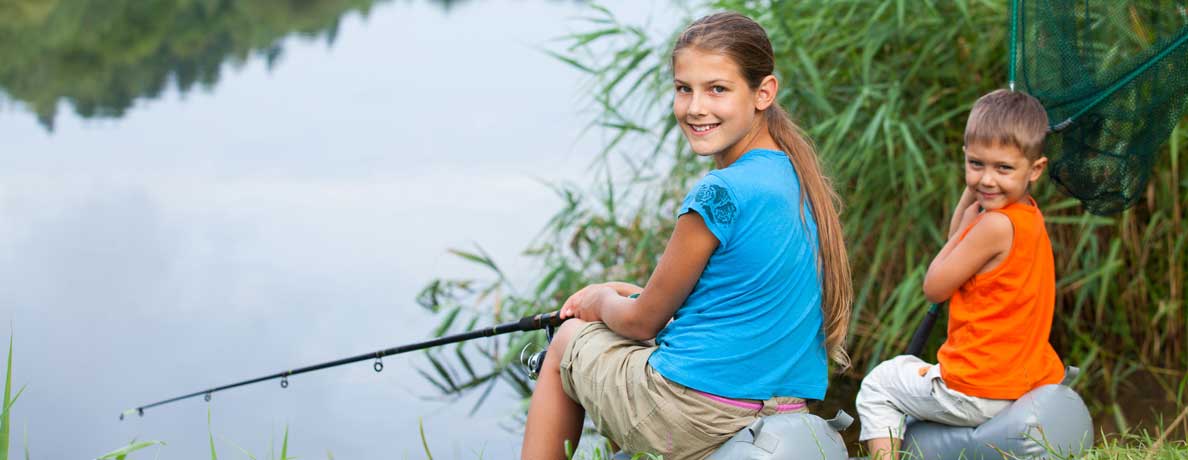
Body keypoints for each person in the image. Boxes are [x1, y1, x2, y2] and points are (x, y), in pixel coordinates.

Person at [519, 12, 853, 460]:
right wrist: (629, 295)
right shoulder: (797, 178)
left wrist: (598, 300)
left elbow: (642, 324)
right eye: (684, 88)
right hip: (783, 408)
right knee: (628, 343)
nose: (695, 107)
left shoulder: (719, 193)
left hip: (697, 413)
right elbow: (721, 303)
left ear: (763, 92)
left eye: (717, 89)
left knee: (568, 339)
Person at [855, 89, 1066, 459]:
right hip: (1022, 380)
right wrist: (971, 203)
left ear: (1035, 169)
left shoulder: (993, 226)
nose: (987, 179)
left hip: (979, 389)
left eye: (1003, 168)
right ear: (965, 156)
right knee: (907, 371)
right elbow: (957, 244)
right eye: (976, 164)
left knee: (878, 386)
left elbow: (935, 287)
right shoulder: (1028, 217)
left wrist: (971, 219)